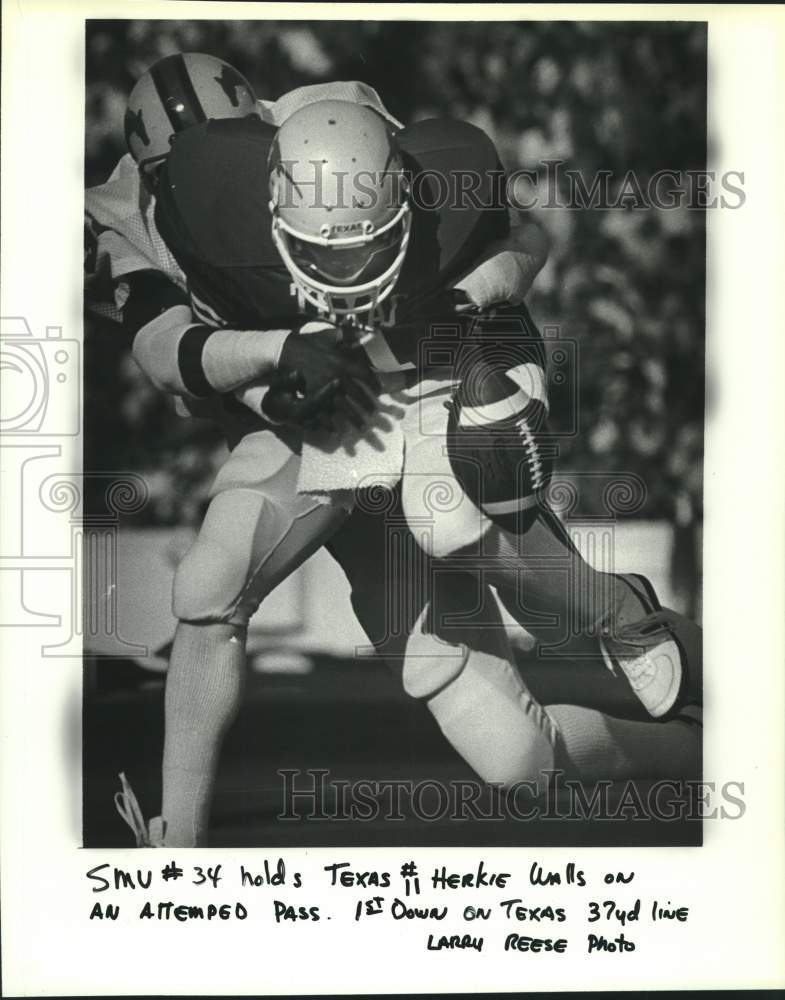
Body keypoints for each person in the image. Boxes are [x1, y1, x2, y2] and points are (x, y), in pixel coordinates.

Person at [111, 90, 701, 849]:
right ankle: (177, 846)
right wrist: (276, 360)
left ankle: (623, 621)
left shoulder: (392, 161)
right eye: (324, 249)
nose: (347, 269)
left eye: (367, 242)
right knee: (211, 583)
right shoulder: (184, 207)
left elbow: (525, 240)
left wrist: (466, 297)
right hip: (310, 422)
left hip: (425, 377)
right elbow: (167, 350)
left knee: (446, 519)